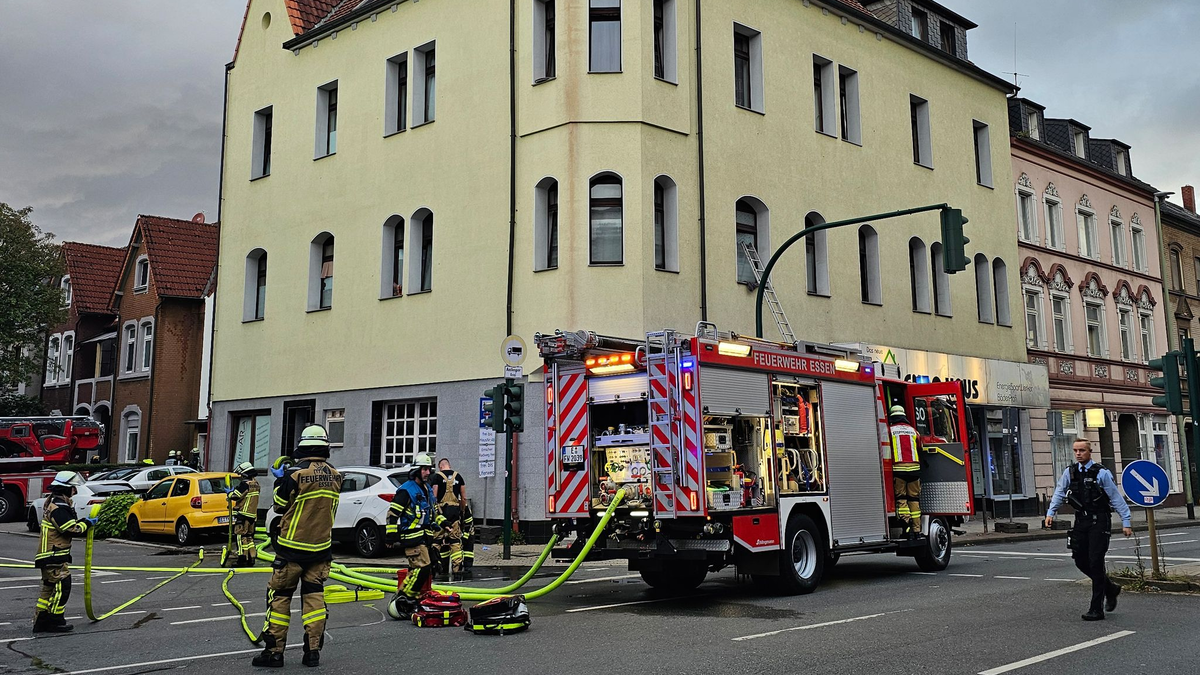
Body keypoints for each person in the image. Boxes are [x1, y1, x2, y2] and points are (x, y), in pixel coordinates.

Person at [253, 425, 342, 668]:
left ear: (302, 447)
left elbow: (279, 506)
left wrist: (280, 480)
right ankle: (312, 652)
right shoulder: (336, 475)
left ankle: (274, 653)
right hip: (321, 549)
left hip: (291, 549)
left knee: (280, 598)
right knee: (314, 600)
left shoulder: (294, 475)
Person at [1044, 438, 1133, 621]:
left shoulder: (1101, 473)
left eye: (1082, 450)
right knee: (1080, 560)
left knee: (1095, 562)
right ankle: (1110, 588)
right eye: (1076, 450)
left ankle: (1096, 609)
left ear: (1089, 452)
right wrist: (1051, 513)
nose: (1078, 454)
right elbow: (1060, 492)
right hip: (1081, 521)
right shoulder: (1070, 472)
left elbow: (1115, 497)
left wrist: (1126, 521)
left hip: (1099, 520)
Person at [33, 471, 94, 633]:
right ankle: (55, 621)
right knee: (63, 586)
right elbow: (70, 529)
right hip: (53, 556)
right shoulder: (59, 508)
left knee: (48, 589)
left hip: (49, 555)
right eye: (73, 488)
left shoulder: (55, 503)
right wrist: (87, 523)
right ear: (65, 489)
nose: (75, 491)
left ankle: (40, 621)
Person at [386, 453, 447, 607]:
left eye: (429, 469)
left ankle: (409, 598)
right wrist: (391, 535)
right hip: (412, 536)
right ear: (416, 471)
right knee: (422, 568)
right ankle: (405, 598)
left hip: (425, 537)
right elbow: (392, 514)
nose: (427, 472)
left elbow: (434, 512)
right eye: (424, 469)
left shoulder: (427, 489)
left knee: (427, 568)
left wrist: (444, 523)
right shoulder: (406, 491)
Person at [888, 405, 922, 536]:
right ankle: (917, 530)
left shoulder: (890, 430)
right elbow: (919, 447)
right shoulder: (913, 431)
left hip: (899, 470)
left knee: (901, 498)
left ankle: (906, 528)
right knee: (914, 499)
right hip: (915, 471)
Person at [430, 458, 467, 579]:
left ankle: (435, 566)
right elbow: (463, 498)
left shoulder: (436, 477)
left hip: (441, 513)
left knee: (437, 540)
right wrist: (462, 511)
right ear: (449, 465)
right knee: (455, 540)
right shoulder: (459, 477)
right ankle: (457, 568)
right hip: (454, 512)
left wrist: (434, 512)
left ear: (440, 466)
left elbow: (434, 497)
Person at [227, 461, 261, 568]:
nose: (241, 477)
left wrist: (229, 493)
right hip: (252, 516)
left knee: (240, 537)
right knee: (249, 537)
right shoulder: (256, 484)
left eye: (241, 475)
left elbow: (235, 496)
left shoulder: (244, 484)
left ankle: (242, 560)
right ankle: (251, 558)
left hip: (243, 515)